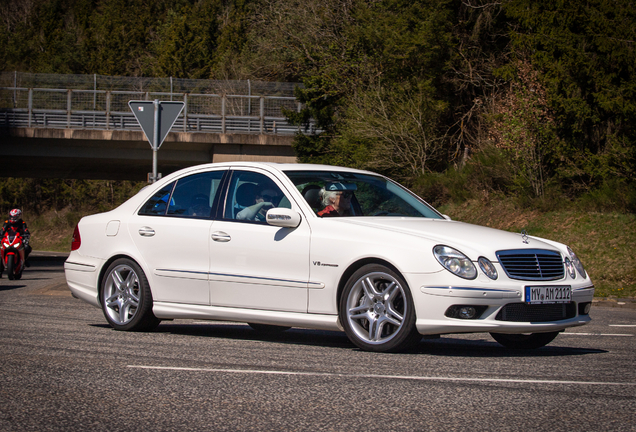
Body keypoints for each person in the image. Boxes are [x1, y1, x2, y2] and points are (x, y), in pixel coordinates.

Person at [0, 209, 31, 277]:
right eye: (11, 216)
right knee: (1, 249)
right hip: (8, 239)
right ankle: (0, 269)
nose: (13, 218)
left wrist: (26, 235)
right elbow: (2, 230)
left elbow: (25, 230)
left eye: (15, 217)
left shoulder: (22, 223)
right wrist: (1, 235)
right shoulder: (7, 222)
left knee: (27, 248)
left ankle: (24, 259)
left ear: (18, 217)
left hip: (18, 239)